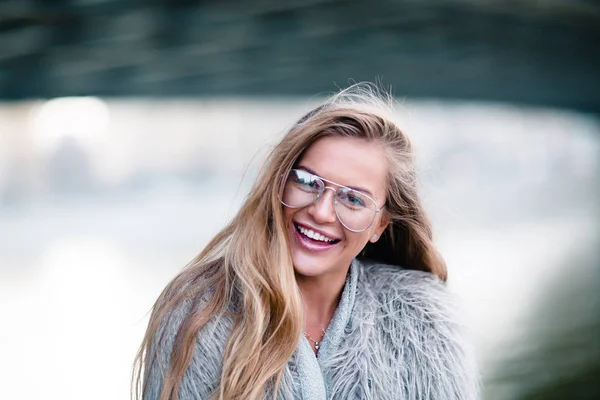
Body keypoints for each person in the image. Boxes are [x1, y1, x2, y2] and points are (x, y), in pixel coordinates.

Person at [133, 84, 480, 400]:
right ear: (279, 183)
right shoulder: (197, 316)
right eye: (307, 181)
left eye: (354, 199)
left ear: (380, 224)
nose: (322, 212)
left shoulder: (423, 325)